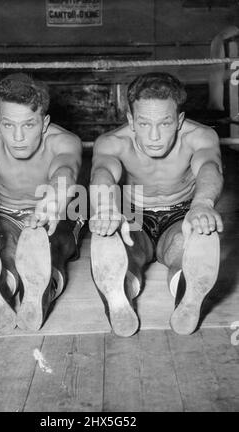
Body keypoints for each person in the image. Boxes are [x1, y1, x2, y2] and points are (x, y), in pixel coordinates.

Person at [90, 72, 223, 337]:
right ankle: (120, 294)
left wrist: (202, 205)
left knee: (191, 242)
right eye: (143, 123)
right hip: (133, 215)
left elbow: (209, 166)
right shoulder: (113, 143)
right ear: (130, 120)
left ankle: (185, 290)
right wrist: (105, 209)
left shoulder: (200, 136)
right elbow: (102, 172)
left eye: (164, 124)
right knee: (119, 246)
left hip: (180, 213)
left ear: (179, 120)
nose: (154, 136)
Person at [0, 73, 83, 334]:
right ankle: (4, 287)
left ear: (45, 122)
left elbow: (66, 171)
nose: (17, 136)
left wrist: (50, 207)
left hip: (57, 208)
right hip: (4, 210)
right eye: (8, 125)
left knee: (50, 244)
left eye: (28, 125)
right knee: (5, 246)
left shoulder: (64, 141)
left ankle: (41, 289)